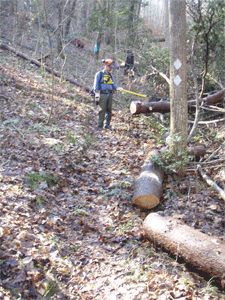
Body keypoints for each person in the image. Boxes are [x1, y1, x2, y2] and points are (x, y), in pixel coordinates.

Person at [93, 59, 123, 131]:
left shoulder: (110, 75)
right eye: (110, 67)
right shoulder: (99, 74)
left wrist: (118, 88)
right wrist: (97, 93)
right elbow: (96, 85)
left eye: (111, 68)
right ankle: (100, 125)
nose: (110, 69)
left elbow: (114, 84)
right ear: (106, 66)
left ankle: (107, 125)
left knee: (109, 110)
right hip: (102, 94)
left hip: (110, 93)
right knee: (102, 109)